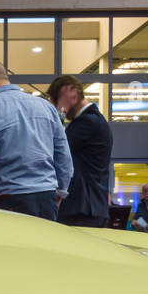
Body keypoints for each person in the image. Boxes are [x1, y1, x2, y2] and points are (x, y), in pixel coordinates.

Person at [0, 60, 73, 220]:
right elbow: (64, 156)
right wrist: (60, 194)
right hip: (47, 199)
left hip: (9, 201)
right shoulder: (46, 107)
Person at [48, 75, 113, 227]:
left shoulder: (88, 121)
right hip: (89, 207)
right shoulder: (93, 119)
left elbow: (56, 146)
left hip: (82, 208)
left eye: (58, 99)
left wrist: (61, 112)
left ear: (73, 92)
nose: (57, 104)